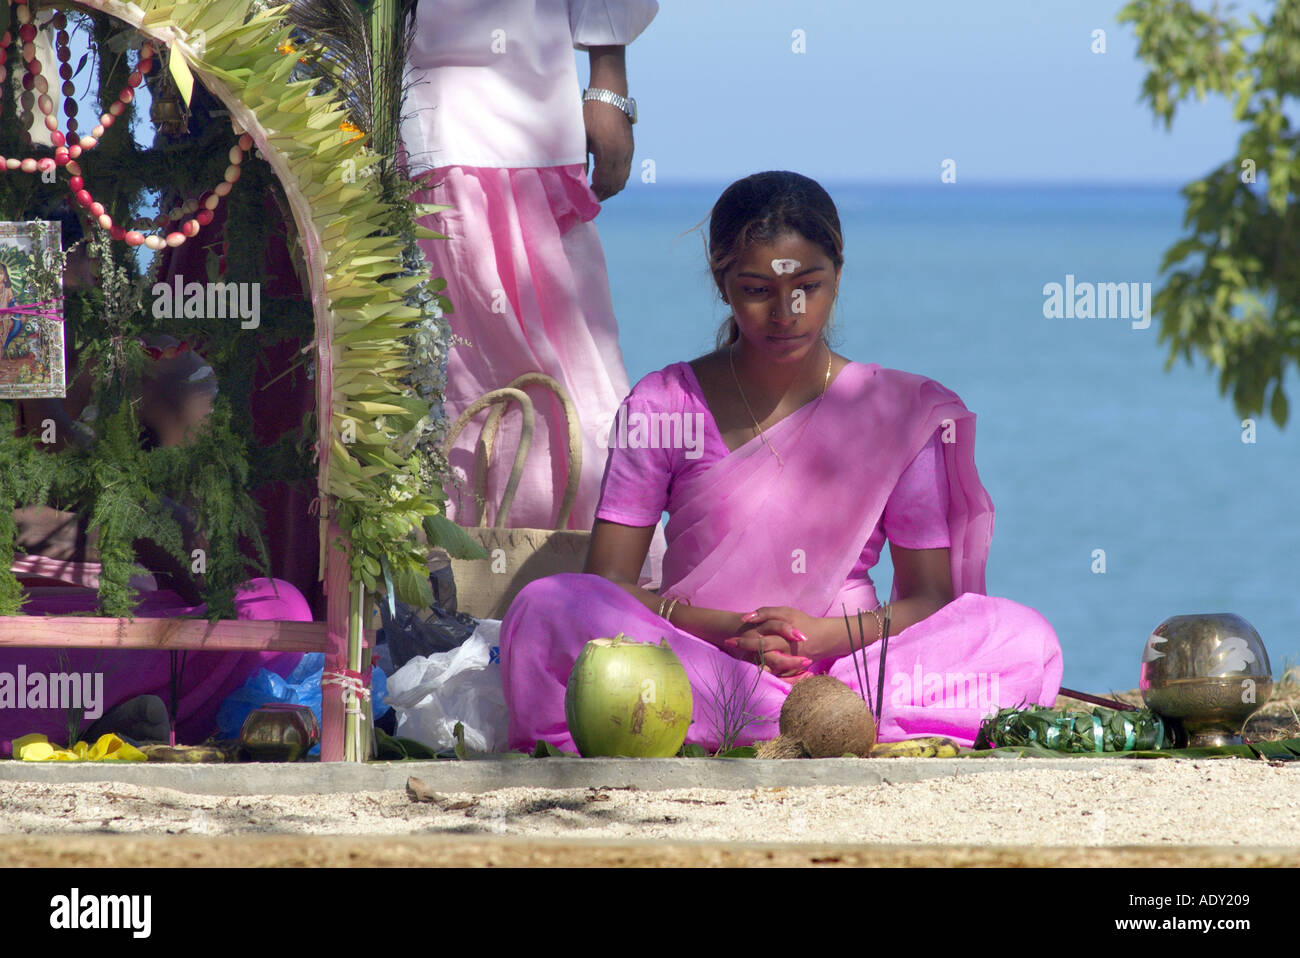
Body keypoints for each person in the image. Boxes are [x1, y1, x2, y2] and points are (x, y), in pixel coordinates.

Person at [500, 171, 1064, 751]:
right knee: (548, 609)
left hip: (852, 669)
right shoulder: (665, 404)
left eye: (808, 286)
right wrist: (729, 631)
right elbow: (609, 586)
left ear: (838, 277)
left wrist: (822, 638)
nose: (786, 311)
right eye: (757, 289)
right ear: (723, 284)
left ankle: (807, 719)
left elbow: (929, 598)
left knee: (1024, 636)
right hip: (702, 665)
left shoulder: (900, 411)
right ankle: (825, 727)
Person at [403, 0, 665, 584]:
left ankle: (595, 592)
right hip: (353, 110)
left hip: (512, 117)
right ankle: (432, 596)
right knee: (418, 379)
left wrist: (608, 79)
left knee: (561, 377)